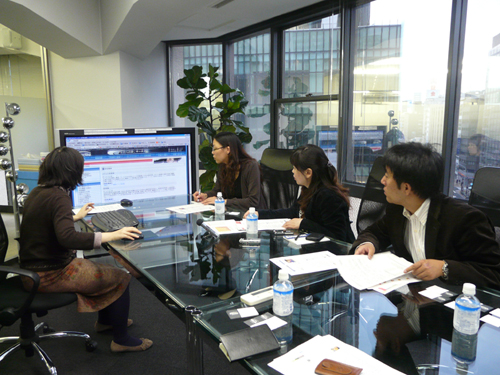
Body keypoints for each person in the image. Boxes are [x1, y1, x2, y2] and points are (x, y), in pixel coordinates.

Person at [18, 147, 153, 353]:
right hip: (50, 274)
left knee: (103, 271)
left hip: (31, 270)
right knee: (120, 277)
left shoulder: (38, 192)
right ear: (71, 171)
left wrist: (72, 218)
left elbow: (43, 222)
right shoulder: (59, 197)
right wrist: (112, 235)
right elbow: (68, 238)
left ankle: (106, 322)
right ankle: (121, 340)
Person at [353, 142, 500, 289]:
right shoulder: (397, 209)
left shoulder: (464, 219)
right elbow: (375, 232)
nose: (382, 181)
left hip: (454, 303)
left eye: (387, 175)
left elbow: (493, 273)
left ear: (406, 188)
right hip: (414, 296)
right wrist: (368, 243)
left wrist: (444, 268)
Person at [245, 144, 355, 242]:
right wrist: (261, 214)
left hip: (339, 255)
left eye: (294, 168)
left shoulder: (329, 196)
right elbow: (293, 212)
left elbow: (338, 236)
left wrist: (303, 224)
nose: (292, 171)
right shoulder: (309, 189)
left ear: (308, 173)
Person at [192, 132, 266, 210]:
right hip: (231, 214)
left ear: (228, 149)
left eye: (215, 149)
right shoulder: (223, 166)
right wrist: (205, 196)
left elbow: (253, 201)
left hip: (252, 217)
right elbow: (217, 191)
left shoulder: (251, 166)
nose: (212, 152)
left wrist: (224, 202)